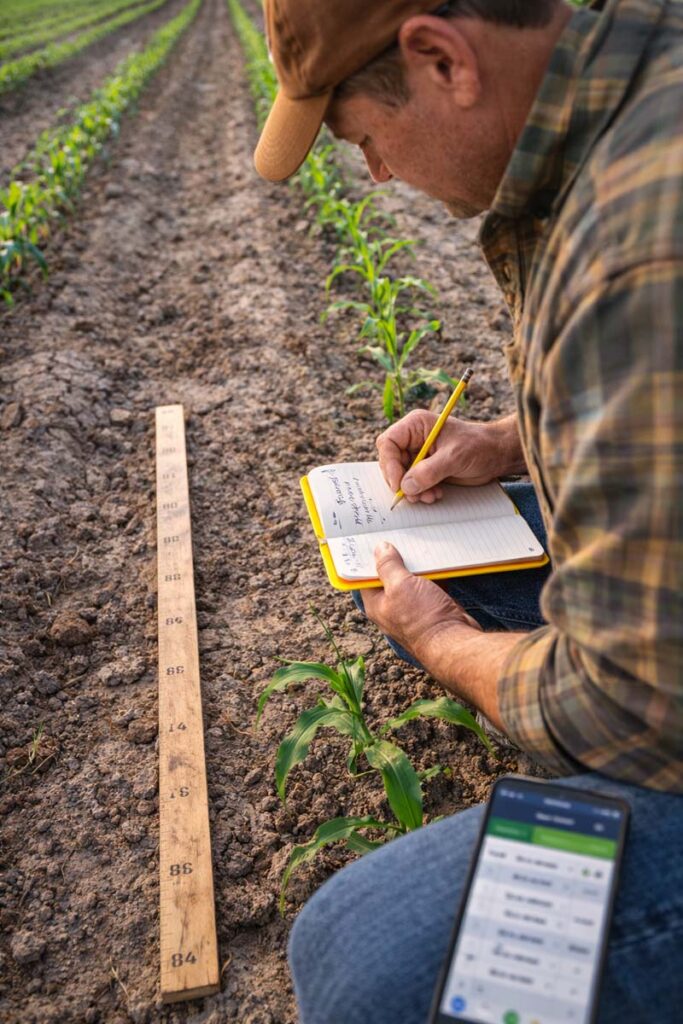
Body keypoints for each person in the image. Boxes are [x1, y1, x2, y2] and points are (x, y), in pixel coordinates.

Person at [253, 1, 683, 1020]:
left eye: (363, 140)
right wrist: (508, 437)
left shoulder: (639, 250)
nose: (379, 176)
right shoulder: (633, 89)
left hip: (653, 711)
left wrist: (441, 639)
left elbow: (627, 712)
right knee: (464, 562)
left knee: (365, 964)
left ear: (440, 57)